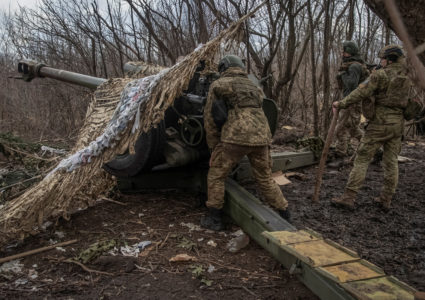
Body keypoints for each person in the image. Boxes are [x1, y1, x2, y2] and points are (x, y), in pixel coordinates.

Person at [201, 54, 289, 230]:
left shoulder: (218, 85)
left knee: (217, 175)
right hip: (261, 137)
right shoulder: (254, 86)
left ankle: (214, 219)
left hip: (235, 137)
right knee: (265, 178)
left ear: (224, 68)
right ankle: (285, 214)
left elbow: (210, 119)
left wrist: (214, 147)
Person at [331, 44, 411, 210]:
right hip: (398, 125)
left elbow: (360, 92)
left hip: (379, 124)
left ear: (389, 59)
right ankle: (386, 199)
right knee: (391, 163)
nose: (380, 61)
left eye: (382, 58)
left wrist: (341, 103)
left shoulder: (380, 75)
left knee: (361, 159)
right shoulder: (406, 76)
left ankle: (348, 197)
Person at [333, 41, 369, 160]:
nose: (342, 53)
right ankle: (374, 149)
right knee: (353, 129)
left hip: (352, 102)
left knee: (341, 129)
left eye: (344, 51)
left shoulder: (355, 66)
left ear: (350, 52)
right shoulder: (353, 64)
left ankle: (340, 154)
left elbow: (351, 84)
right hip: (349, 101)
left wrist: (342, 74)